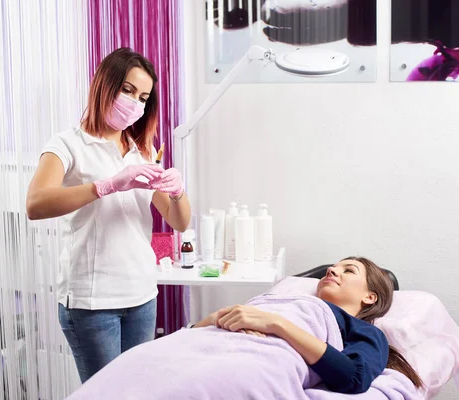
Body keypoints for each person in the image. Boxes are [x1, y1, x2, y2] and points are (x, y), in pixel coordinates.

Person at [26, 47, 191, 383]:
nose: (135, 102)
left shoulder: (140, 150)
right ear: (105, 83)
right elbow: (35, 204)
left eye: (143, 96)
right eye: (127, 90)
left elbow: (179, 222)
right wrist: (104, 186)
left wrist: (178, 191)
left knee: (137, 390)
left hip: (142, 294)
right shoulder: (67, 145)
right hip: (92, 301)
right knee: (107, 393)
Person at [191, 256, 424, 394]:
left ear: (370, 297)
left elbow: (354, 377)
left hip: (244, 364)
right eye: (335, 267)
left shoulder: (365, 331)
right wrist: (215, 318)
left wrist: (276, 324)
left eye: (349, 270)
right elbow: (192, 334)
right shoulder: (278, 301)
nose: (331, 270)